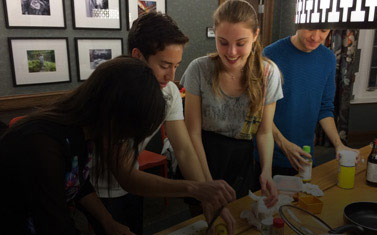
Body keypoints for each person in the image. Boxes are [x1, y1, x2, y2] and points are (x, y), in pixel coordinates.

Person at [0, 56, 235, 235]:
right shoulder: (42, 145)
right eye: (129, 132)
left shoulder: (84, 132)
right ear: (113, 113)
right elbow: (55, 225)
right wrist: (192, 189)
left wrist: (107, 221)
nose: (126, 140)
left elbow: (78, 183)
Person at [81, 12, 237, 234]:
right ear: (137, 55)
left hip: (135, 183)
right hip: (95, 189)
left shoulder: (170, 92)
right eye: (164, 65)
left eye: (176, 65)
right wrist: (196, 190)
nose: (171, 76)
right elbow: (124, 176)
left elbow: (183, 149)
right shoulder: (116, 91)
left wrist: (207, 197)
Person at [181, 0, 282, 223]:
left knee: (238, 220)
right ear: (214, 34)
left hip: (241, 159)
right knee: (203, 221)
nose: (232, 52)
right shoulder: (198, 69)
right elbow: (193, 133)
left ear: (255, 35)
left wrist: (266, 171)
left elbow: (264, 132)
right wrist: (207, 185)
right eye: (223, 42)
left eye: (241, 43)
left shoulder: (268, 73)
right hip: (203, 155)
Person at [257, 29, 358, 176]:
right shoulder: (271, 54)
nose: (316, 37)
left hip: (305, 154)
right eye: (310, 29)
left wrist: (339, 144)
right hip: (268, 155)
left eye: (323, 31)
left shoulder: (328, 58)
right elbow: (258, 109)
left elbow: (325, 108)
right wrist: (283, 143)